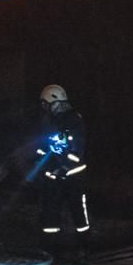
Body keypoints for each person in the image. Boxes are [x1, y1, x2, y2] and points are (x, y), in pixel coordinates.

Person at [32, 84, 91, 254]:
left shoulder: (74, 120)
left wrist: (64, 167)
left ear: (56, 102)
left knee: (78, 212)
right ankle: (49, 247)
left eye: (46, 104)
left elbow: (76, 150)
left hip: (73, 176)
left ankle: (86, 246)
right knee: (50, 212)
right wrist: (41, 162)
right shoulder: (48, 120)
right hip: (53, 176)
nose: (44, 107)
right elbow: (43, 145)